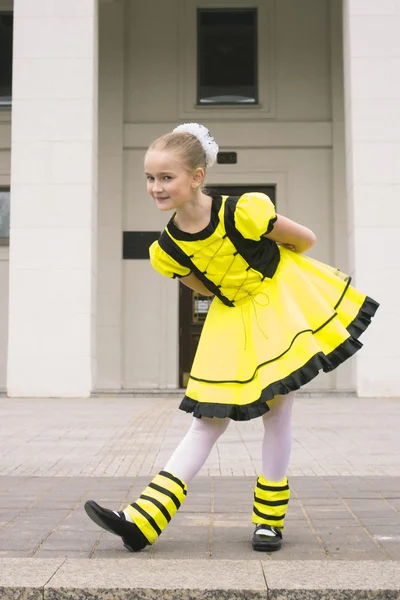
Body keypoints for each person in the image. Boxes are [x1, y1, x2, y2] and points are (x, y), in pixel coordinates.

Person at [85, 123, 379, 553]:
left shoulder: (244, 211)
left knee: (277, 415)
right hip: (231, 323)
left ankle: (269, 523)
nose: (156, 187)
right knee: (206, 421)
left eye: (167, 177)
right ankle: (141, 521)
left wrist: (271, 283)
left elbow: (305, 240)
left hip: (278, 311)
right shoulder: (167, 247)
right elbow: (202, 287)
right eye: (150, 178)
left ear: (196, 178)